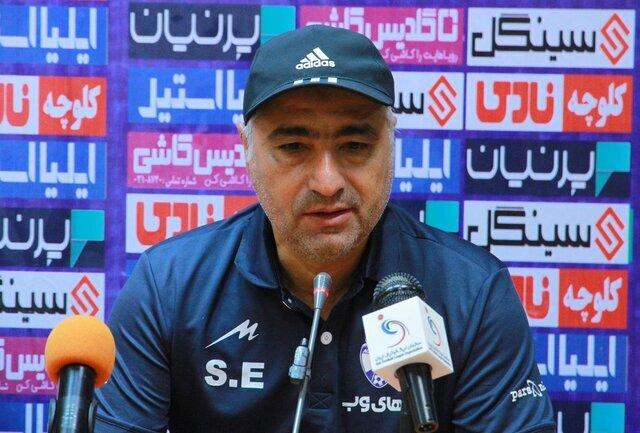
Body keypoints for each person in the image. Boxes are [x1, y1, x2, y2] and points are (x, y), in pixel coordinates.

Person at [95, 25, 556, 433]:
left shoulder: (472, 292)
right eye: (294, 147)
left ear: (392, 144)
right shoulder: (170, 287)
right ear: (246, 149)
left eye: (354, 145)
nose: (328, 182)